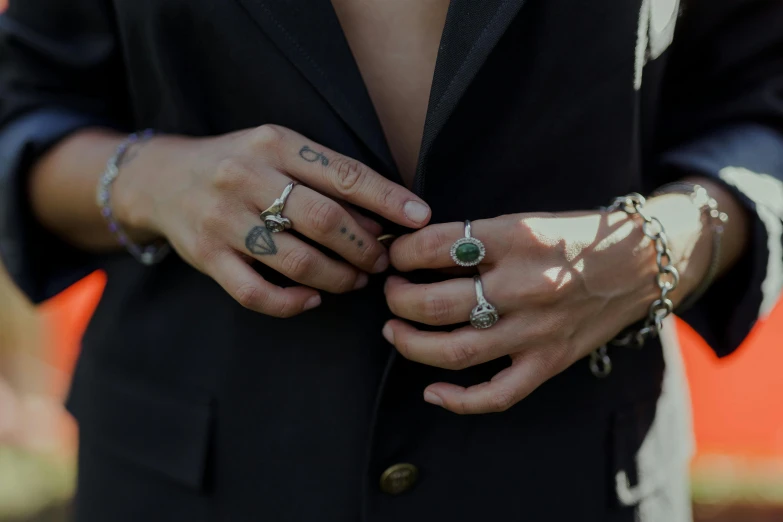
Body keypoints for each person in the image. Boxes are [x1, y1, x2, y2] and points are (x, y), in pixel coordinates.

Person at [0, 0, 781, 520]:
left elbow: (762, 105)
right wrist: (151, 179)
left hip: (575, 480)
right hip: (189, 482)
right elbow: (28, 106)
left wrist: (661, 244)